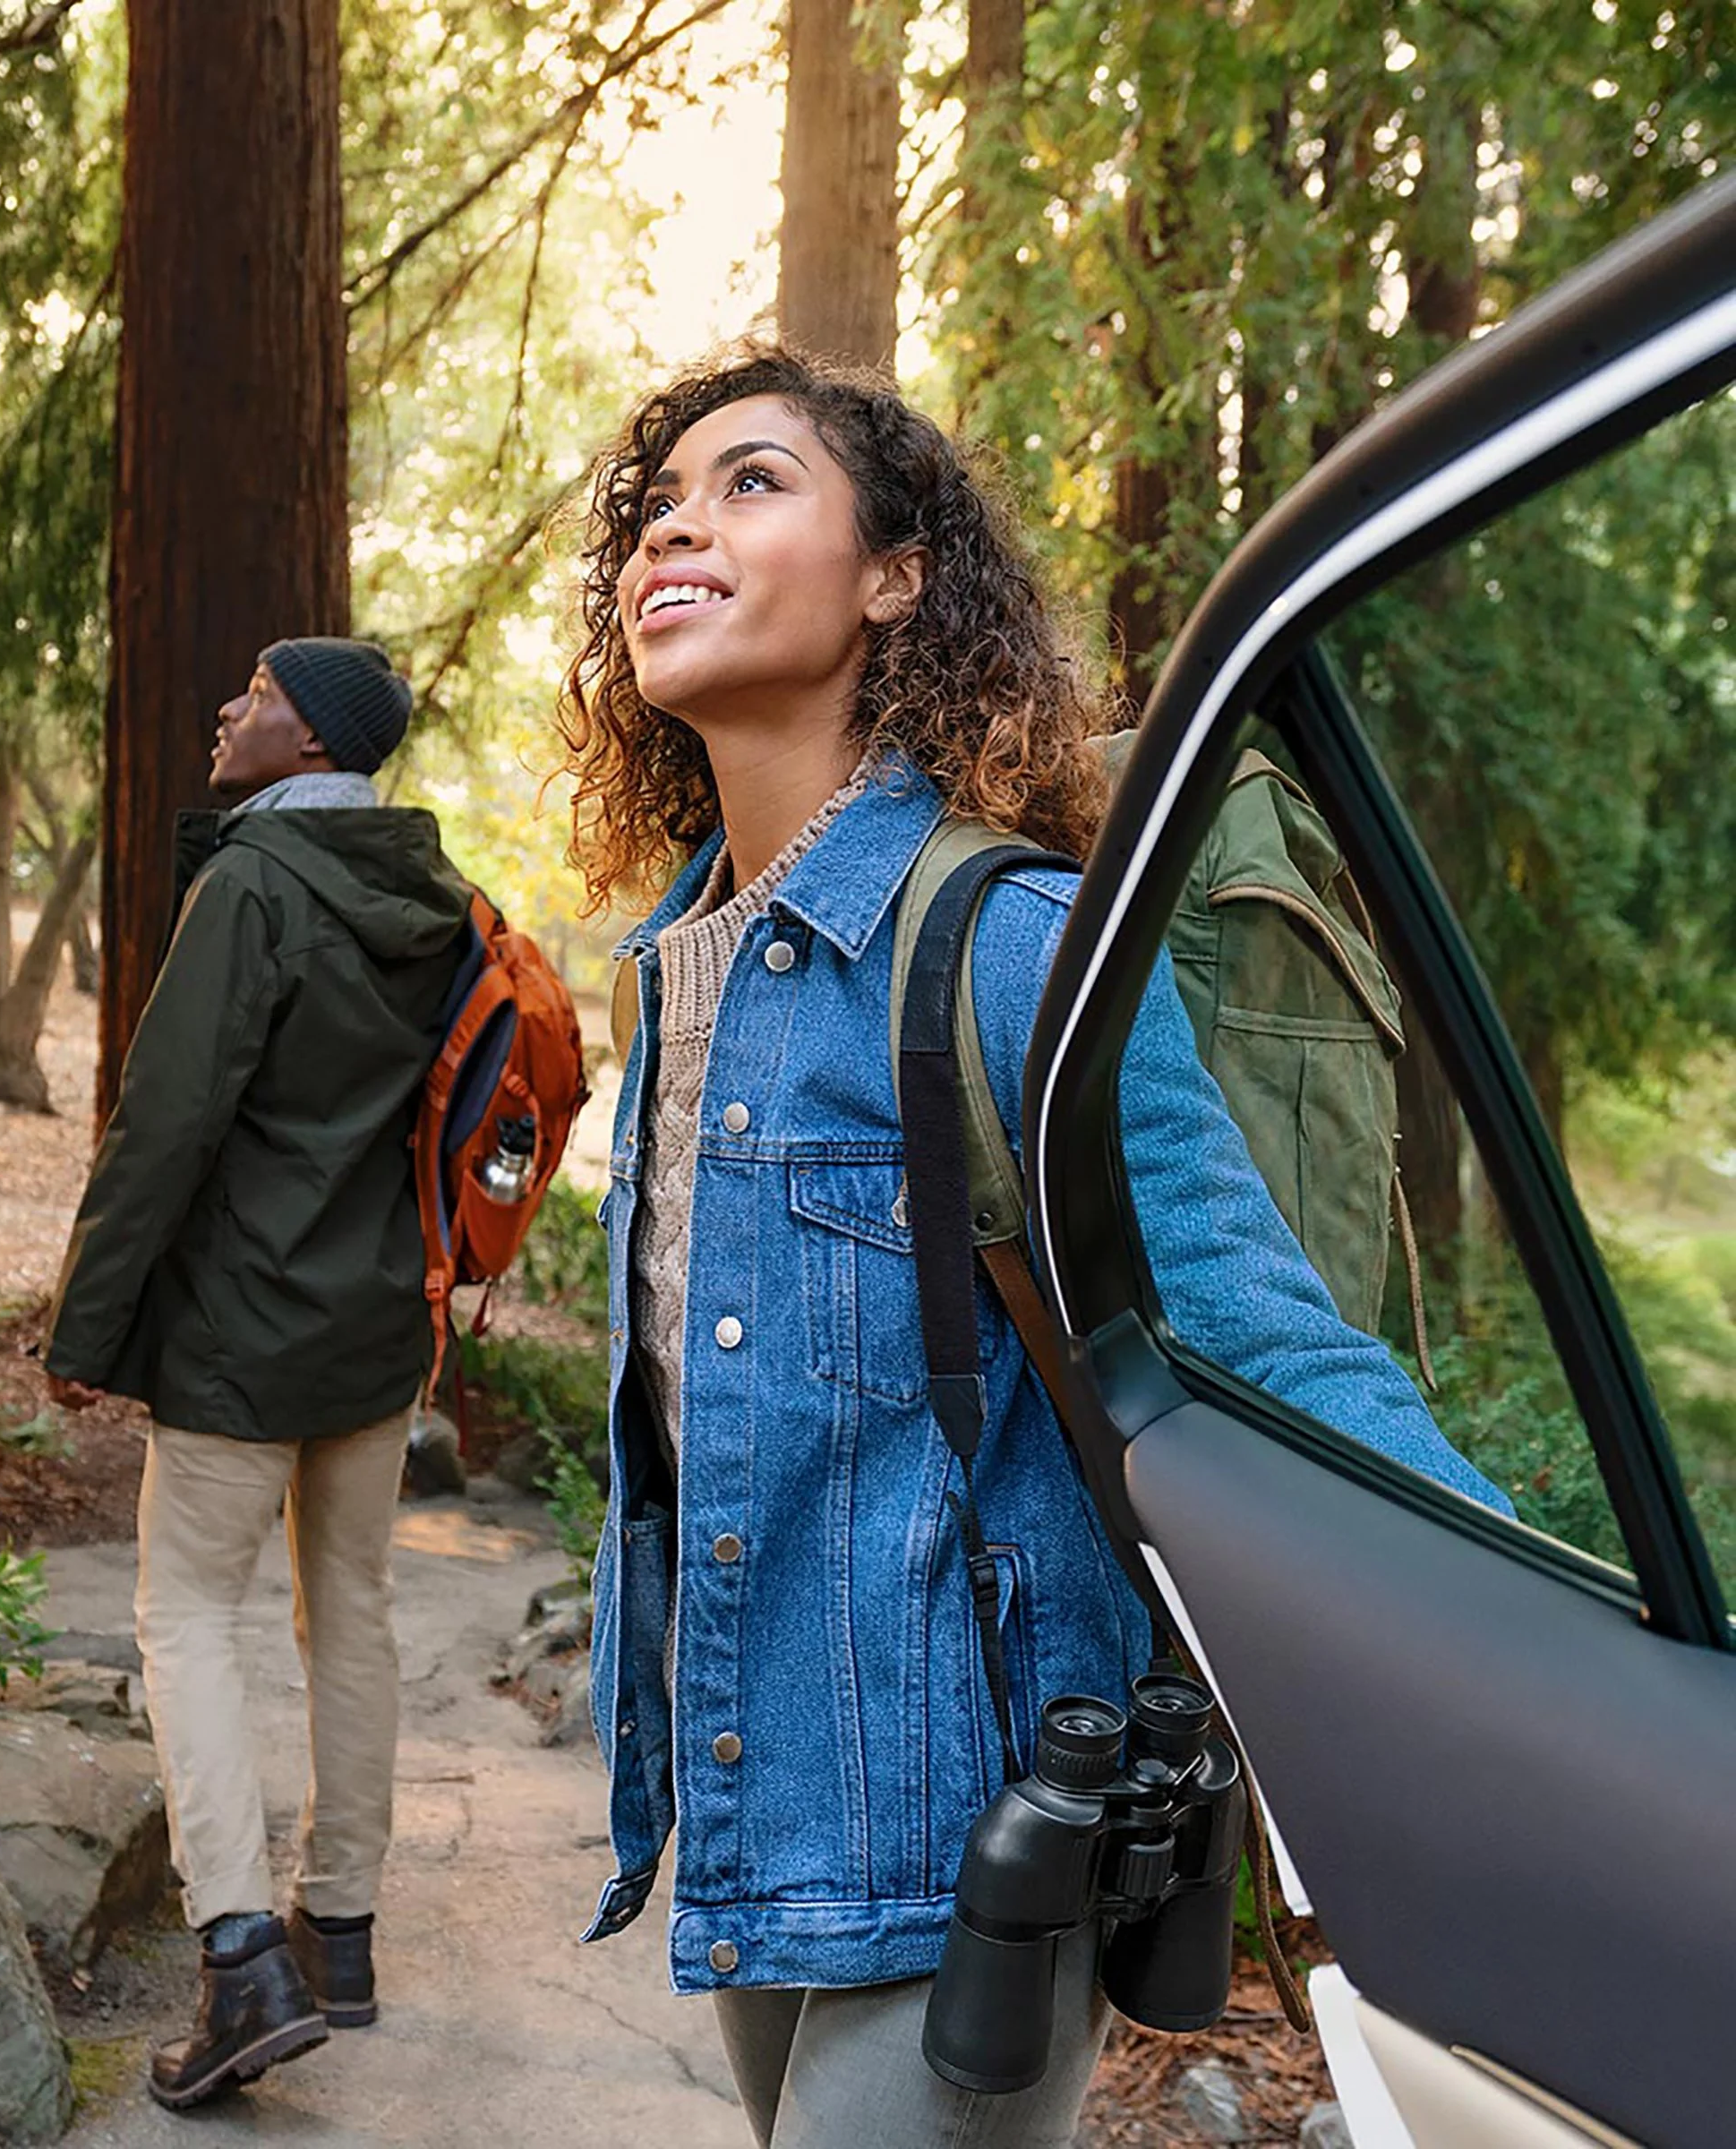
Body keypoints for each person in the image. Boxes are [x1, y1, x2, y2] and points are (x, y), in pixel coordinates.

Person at [553, 348, 1508, 2149]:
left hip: (977, 1830)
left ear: (897, 576)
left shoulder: (1005, 946)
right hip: (766, 1813)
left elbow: (1265, 1350)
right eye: (657, 505)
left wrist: (1537, 1670)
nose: (678, 521)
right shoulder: (681, 976)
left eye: (752, 483)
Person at [43, 637, 470, 2111]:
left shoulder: (256, 887)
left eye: (259, 696)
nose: (228, 707)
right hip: (375, 1332)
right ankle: (335, 1932)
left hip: (240, 1326)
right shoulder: (438, 894)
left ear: (311, 744)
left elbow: (164, 1125)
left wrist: (87, 1329)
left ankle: (240, 1959)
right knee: (349, 1611)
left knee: (187, 1618)